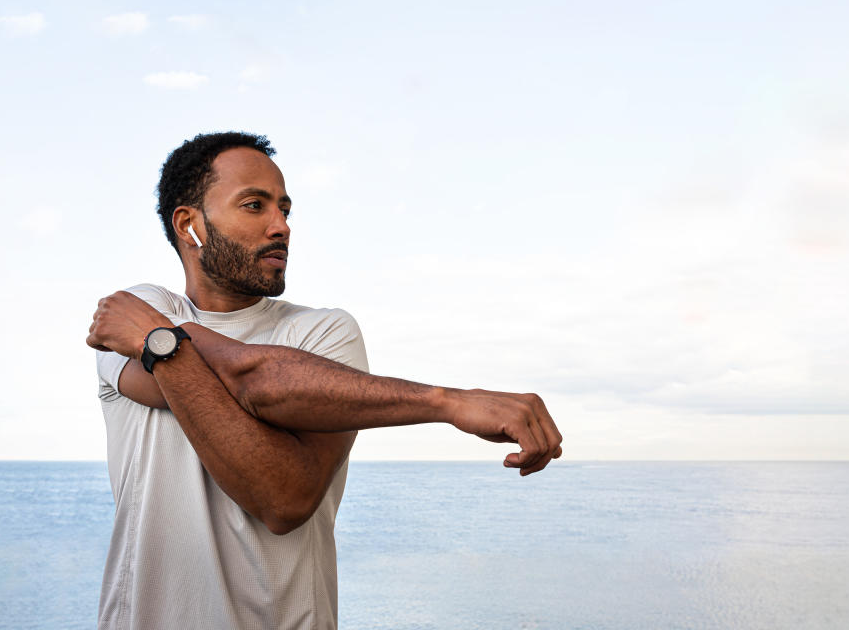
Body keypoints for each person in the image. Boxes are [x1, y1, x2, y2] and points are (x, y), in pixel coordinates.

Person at [87, 131, 563, 629]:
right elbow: (255, 379)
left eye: (286, 210)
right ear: (190, 226)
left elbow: (284, 499)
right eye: (255, 206)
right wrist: (444, 403)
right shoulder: (138, 309)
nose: (282, 227)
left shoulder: (324, 332)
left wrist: (161, 345)